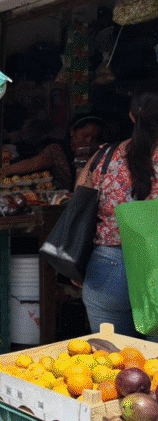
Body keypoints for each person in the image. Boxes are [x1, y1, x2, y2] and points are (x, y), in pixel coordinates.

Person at [80, 92, 158, 338]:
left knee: (114, 364)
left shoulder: (103, 157)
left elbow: (80, 202)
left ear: (132, 116)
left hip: (108, 267)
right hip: (154, 264)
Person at [0, 115, 103, 190]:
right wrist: (5, 171)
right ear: (72, 131)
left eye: (93, 138)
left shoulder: (96, 154)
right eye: (85, 135)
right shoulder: (57, 151)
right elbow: (33, 163)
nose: (89, 141)